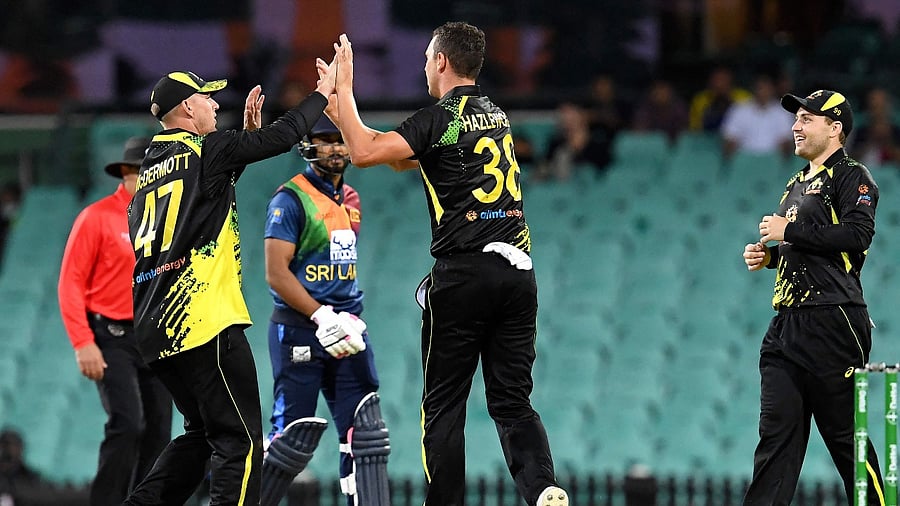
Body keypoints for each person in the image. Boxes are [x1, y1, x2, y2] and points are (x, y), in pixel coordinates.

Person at [329, 22, 569, 506]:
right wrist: (344, 116)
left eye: (424, 58)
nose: (422, 66)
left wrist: (347, 93)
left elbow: (365, 152)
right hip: (519, 271)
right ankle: (543, 489)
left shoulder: (442, 117)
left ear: (441, 61)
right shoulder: (495, 115)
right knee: (512, 401)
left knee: (442, 407)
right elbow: (401, 158)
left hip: (464, 276)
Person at [123, 63, 337, 506]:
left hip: (152, 325)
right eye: (206, 98)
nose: (215, 104)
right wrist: (324, 95)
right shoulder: (206, 152)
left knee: (201, 434)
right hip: (202, 319)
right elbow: (281, 138)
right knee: (240, 442)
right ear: (187, 107)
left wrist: (238, 147)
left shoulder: (148, 172)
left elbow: (203, 202)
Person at [741, 89, 884, 505]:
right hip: (786, 325)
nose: (796, 126)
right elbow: (811, 249)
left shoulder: (852, 176)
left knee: (846, 442)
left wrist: (789, 233)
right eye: (796, 118)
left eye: (807, 119)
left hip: (833, 320)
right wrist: (770, 256)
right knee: (775, 442)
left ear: (835, 128)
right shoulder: (796, 183)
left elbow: (857, 237)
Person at [258, 117, 385, 506]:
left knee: (366, 437)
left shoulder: (351, 200)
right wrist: (320, 316)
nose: (335, 149)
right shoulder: (290, 200)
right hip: (300, 331)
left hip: (347, 332)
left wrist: (342, 319)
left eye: (340, 140)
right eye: (325, 141)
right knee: (292, 439)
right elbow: (276, 275)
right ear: (309, 146)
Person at [58, 136, 173, 506]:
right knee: (128, 423)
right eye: (146, 171)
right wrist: (82, 342)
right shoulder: (96, 218)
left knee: (159, 433)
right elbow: (71, 282)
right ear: (126, 173)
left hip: (156, 337)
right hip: (112, 336)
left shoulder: (165, 220)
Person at [720, 73, 794, 158]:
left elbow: (786, 142)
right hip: (744, 158)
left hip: (773, 160)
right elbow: (730, 138)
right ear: (754, 89)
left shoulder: (783, 112)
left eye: (767, 88)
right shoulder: (739, 109)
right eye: (760, 88)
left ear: (773, 90)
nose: (763, 92)